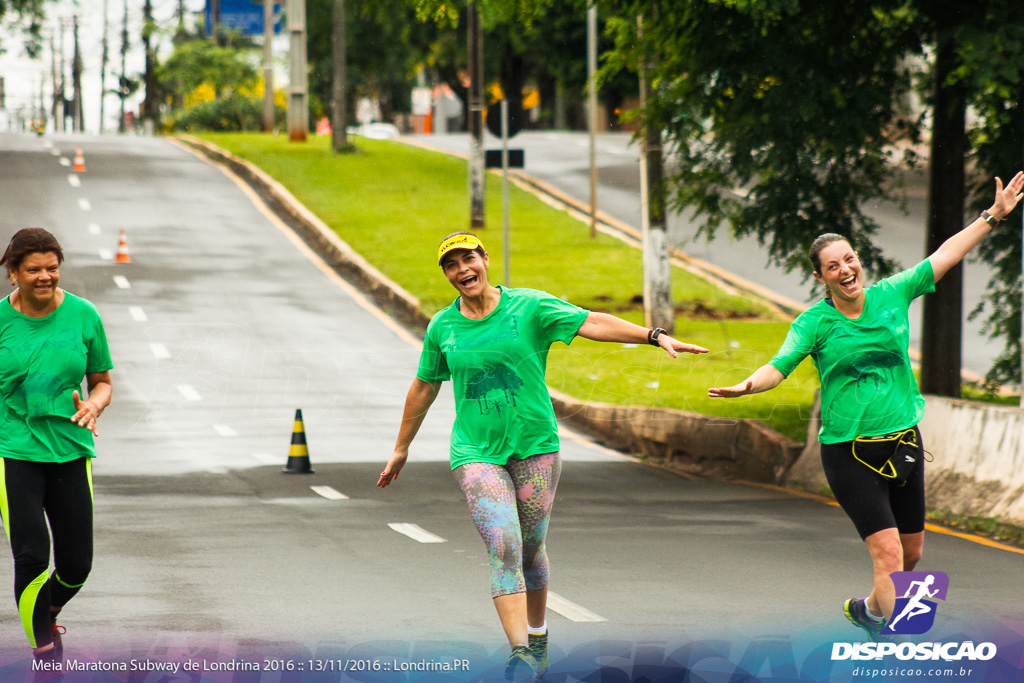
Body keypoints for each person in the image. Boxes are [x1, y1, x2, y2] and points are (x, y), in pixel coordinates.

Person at [708, 171, 1024, 641]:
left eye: (849, 259)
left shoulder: (892, 294)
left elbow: (945, 255)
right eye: (832, 266)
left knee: (911, 555)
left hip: (903, 442)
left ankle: (867, 611)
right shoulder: (814, 323)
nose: (845, 270)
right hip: (848, 451)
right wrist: (748, 387)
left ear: (859, 262)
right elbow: (779, 365)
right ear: (820, 277)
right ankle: (896, 648)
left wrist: (991, 217)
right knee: (889, 555)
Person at [378, 232, 709, 679]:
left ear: (485, 260)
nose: (463, 270)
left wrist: (652, 336)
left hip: (536, 448)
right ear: (447, 275)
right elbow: (424, 385)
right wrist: (402, 448)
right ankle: (520, 654)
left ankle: (538, 637)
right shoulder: (444, 327)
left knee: (531, 548)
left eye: (469, 259)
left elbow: (590, 322)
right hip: (475, 452)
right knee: (504, 543)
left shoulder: (529, 307)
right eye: (452, 265)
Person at [0, 228, 114, 672]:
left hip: (70, 448)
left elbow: (102, 381)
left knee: (76, 566)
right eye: (34, 269)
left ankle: (45, 612)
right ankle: (45, 654)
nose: (45, 277)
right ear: (14, 273)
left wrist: (94, 405)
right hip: (13, 451)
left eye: (52, 268)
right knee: (31, 554)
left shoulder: (84, 315)